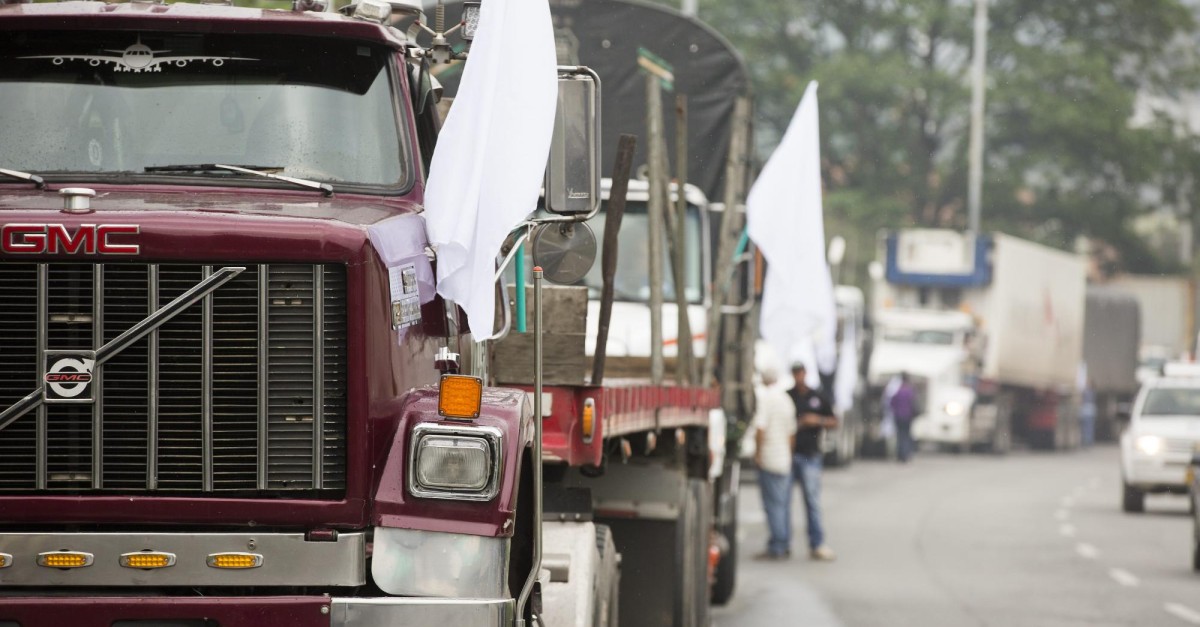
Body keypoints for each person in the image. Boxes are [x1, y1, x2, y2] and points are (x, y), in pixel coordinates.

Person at [787, 363, 838, 561]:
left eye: (801, 373)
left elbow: (834, 421)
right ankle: (782, 544)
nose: (798, 376)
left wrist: (816, 420)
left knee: (813, 501)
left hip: (810, 454)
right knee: (783, 502)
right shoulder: (788, 396)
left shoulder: (817, 397)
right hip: (790, 454)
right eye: (795, 373)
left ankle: (817, 543)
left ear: (805, 374)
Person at [752, 367, 798, 560]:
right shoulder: (786, 400)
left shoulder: (765, 399)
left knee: (773, 505)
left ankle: (777, 545)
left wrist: (758, 453)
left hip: (770, 458)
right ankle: (784, 541)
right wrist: (788, 453)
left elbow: (760, 429)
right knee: (784, 504)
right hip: (784, 459)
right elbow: (791, 433)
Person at [890, 373, 918, 462]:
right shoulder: (910, 391)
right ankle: (906, 454)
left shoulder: (898, 391)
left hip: (898, 416)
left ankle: (899, 455)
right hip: (907, 416)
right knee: (906, 435)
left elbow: (892, 403)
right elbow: (913, 404)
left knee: (899, 435)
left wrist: (895, 411)